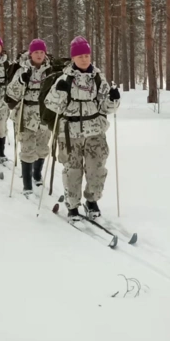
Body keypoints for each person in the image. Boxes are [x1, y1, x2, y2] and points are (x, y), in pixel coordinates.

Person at [44, 36, 121, 220]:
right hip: (70, 133)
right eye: (80, 56)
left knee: (97, 169)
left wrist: (113, 99)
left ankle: (92, 200)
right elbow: (51, 104)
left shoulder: (98, 79)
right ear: (73, 58)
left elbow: (107, 108)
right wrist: (58, 92)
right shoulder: (65, 79)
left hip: (95, 132)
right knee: (73, 170)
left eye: (87, 55)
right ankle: (72, 205)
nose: (85, 59)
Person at [6, 39, 52, 196]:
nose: (39, 55)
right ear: (31, 54)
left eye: (41, 52)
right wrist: (20, 81)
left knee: (42, 147)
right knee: (27, 148)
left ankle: (37, 173)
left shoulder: (50, 70)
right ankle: (27, 184)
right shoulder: (22, 69)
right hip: (26, 114)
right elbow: (11, 93)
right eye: (36, 52)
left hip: (44, 114)